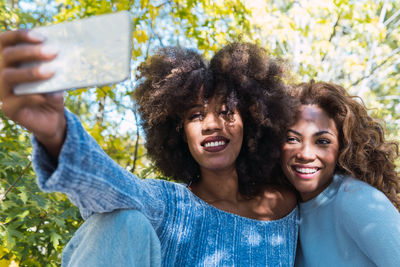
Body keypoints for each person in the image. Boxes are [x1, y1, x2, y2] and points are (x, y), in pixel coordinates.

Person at [0, 30, 298, 266]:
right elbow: (112, 186)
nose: (211, 124)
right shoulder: (168, 205)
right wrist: (56, 133)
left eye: (226, 111)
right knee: (122, 220)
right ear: (180, 134)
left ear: (252, 122)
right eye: (196, 115)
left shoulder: (285, 204)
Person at [279, 81, 400, 267]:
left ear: (342, 147)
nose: (305, 154)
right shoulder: (285, 207)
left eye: (322, 141)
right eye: (293, 139)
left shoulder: (357, 199)